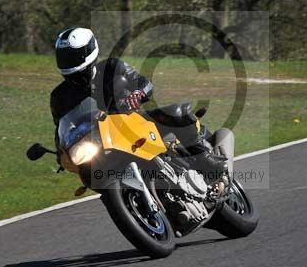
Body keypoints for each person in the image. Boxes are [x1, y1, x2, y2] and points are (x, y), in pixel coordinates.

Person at [49, 27, 226, 177]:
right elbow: (61, 130)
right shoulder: (59, 96)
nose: (69, 62)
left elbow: (144, 83)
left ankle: (204, 159)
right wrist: (61, 152)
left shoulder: (111, 67)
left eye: (72, 57)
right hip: (99, 140)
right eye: (65, 57)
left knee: (177, 113)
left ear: (88, 52)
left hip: (134, 121)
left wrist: (138, 94)